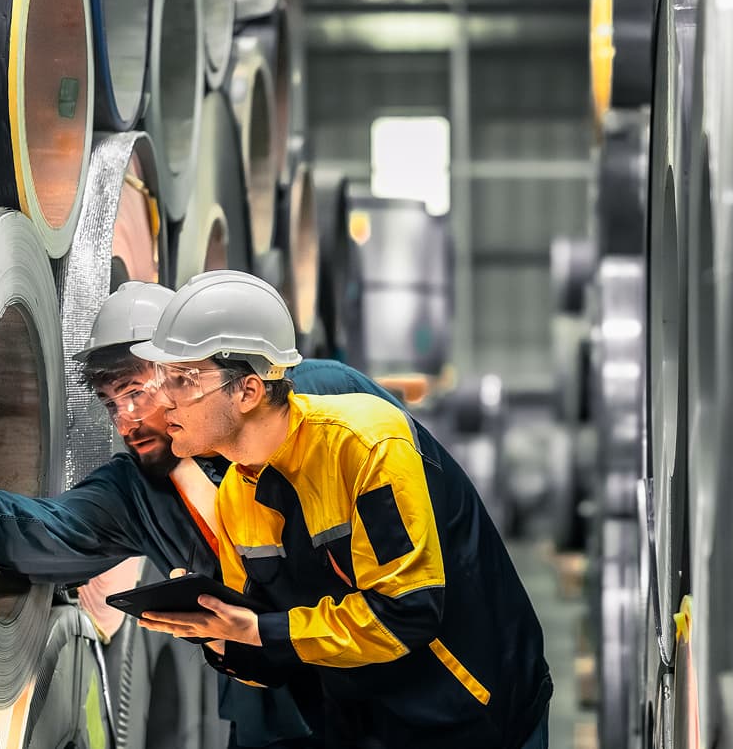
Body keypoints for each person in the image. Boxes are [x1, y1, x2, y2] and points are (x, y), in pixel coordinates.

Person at [0, 281, 410, 748]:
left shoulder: (323, 398)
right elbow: (34, 534)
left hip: (391, 684)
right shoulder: (137, 490)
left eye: (136, 393)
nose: (126, 422)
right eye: (112, 404)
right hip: (279, 714)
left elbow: (428, 504)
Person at [132, 271, 553, 749]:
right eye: (162, 379)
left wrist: (263, 630)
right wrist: (217, 630)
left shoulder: (366, 445)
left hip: (473, 712)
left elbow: (406, 614)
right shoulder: (235, 492)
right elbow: (278, 649)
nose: (160, 403)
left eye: (183, 380)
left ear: (247, 391)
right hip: (367, 724)